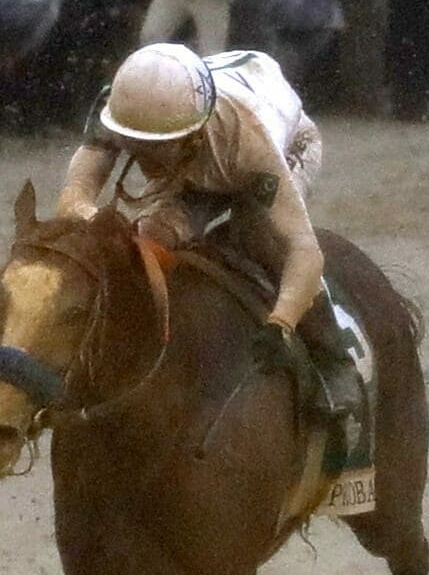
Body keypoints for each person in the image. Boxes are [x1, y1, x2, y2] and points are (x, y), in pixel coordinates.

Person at [55, 41, 364, 425]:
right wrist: (109, 230)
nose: (141, 156)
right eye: (133, 144)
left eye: (154, 148)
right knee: (147, 238)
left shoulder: (251, 143)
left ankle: (333, 358)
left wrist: (282, 320)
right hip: (202, 159)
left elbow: (304, 249)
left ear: (194, 135)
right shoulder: (120, 107)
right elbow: (73, 199)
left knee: (256, 236)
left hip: (283, 146)